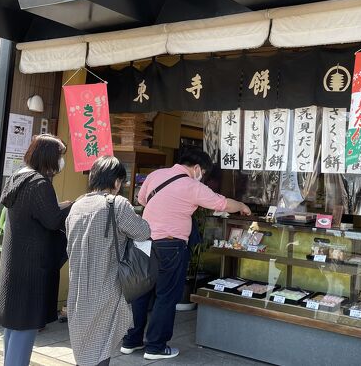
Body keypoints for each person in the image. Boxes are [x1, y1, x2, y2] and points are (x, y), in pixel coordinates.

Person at [122, 148, 251, 360]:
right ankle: (155, 347)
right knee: (166, 296)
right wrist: (242, 205)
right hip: (170, 246)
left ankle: (131, 341)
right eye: (204, 173)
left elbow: (143, 199)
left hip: (144, 242)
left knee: (141, 293)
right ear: (198, 168)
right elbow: (221, 203)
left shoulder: (156, 175)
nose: (203, 177)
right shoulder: (192, 185)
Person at [0, 134, 72, 366]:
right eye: (59, 156)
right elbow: (53, 221)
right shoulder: (39, 183)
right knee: (25, 327)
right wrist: (77, 206)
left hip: (13, 263)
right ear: (48, 156)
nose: (61, 162)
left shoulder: (18, 177)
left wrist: (59, 206)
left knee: (13, 327)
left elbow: (35, 213)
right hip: (31, 267)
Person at [66, 156, 151, 366]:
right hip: (106, 285)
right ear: (116, 182)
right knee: (100, 346)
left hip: (78, 289)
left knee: (85, 343)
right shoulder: (117, 204)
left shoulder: (77, 205)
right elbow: (143, 232)